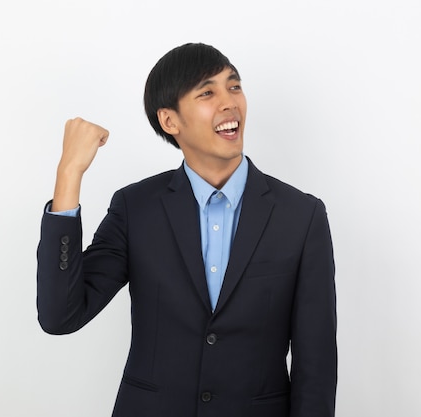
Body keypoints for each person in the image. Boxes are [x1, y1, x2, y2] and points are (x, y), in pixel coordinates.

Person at [36, 43, 337, 417]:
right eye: (207, 92)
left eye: (234, 86)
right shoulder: (136, 208)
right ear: (170, 121)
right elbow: (60, 315)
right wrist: (69, 174)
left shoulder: (301, 216)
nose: (229, 102)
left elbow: (317, 363)